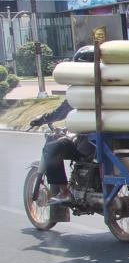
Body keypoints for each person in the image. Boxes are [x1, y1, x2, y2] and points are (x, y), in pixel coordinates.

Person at [29, 46, 95, 205]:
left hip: (90, 145)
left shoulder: (80, 90)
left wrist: (43, 119)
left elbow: (63, 110)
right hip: (114, 142)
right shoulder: (114, 85)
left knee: (51, 148)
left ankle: (65, 192)